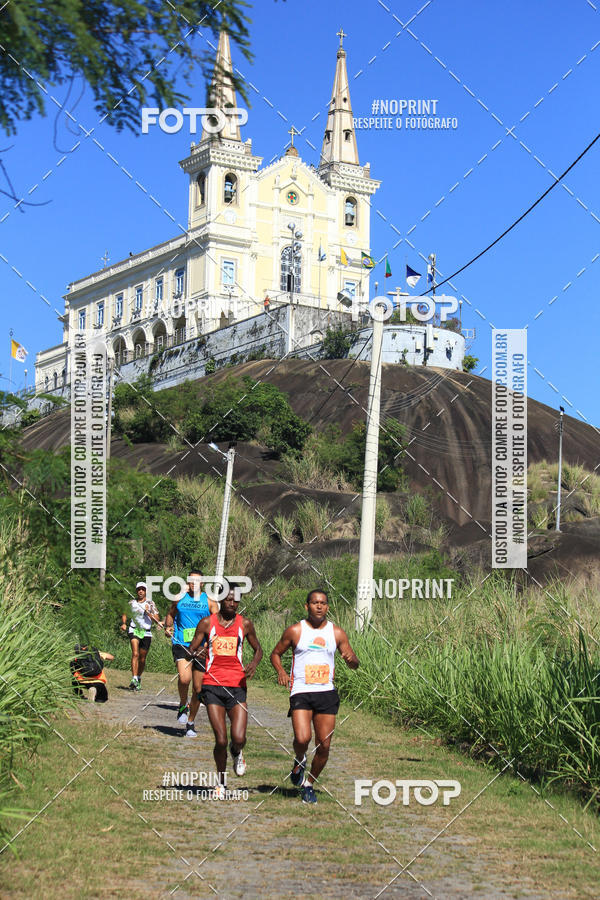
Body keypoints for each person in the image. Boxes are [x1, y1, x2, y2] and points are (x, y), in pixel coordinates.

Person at [270, 589, 359, 805]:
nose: (319, 606)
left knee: (325, 746)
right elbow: (275, 654)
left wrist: (351, 659)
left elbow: (354, 662)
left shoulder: (336, 633)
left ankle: (308, 784)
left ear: (328, 607)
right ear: (307, 606)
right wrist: (281, 672)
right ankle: (300, 759)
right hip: (301, 690)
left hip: (326, 693)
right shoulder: (295, 630)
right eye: (315, 603)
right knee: (302, 738)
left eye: (323, 603)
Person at [188, 588, 262, 794]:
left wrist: (254, 664)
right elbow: (192, 648)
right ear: (220, 600)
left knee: (238, 738)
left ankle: (237, 751)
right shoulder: (207, 623)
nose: (232, 603)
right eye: (228, 599)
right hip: (212, 684)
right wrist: (197, 652)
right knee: (220, 739)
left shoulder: (244, 624)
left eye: (235, 600)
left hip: (237, 685)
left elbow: (259, 649)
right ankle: (220, 783)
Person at [164, 569, 218, 737]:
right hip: (182, 643)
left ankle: (190, 723)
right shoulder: (179, 598)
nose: (193, 583)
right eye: (191, 580)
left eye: (197, 581)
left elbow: (218, 623)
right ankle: (182, 704)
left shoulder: (209, 602)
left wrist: (214, 640)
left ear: (202, 583)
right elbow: (170, 615)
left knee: (198, 688)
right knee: (184, 678)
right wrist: (168, 627)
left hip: (202, 648)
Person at [120, 582, 162, 691]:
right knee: (135, 653)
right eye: (139, 589)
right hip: (134, 629)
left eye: (143, 589)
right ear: (136, 591)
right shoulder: (132, 603)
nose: (141, 591)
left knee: (142, 658)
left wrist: (149, 612)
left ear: (146, 591)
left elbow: (157, 619)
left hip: (146, 632)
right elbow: (124, 613)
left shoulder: (151, 603)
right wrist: (124, 623)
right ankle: (133, 678)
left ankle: (138, 678)